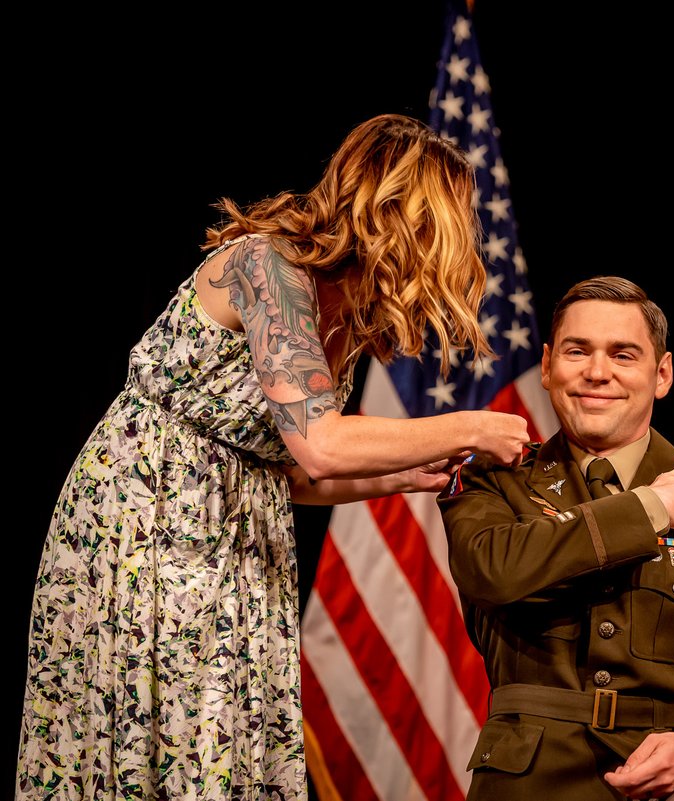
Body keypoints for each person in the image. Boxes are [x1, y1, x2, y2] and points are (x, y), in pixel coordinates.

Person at [16, 113, 531, 801]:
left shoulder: (344, 308)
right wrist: (469, 425)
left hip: (236, 534)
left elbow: (288, 474)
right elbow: (320, 442)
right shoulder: (269, 266)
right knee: (172, 738)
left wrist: (401, 475)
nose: (458, 241)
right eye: (445, 220)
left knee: (225, 734)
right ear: (395, 211)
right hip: (148, 526)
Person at [437, 275, 674, 801]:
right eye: (577, 351)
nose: (597, 372)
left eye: (623, 354)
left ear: (662, 375)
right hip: (529, 780)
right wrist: (650, 508)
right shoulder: (495, 480)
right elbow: (493, 573)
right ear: (546, 367)